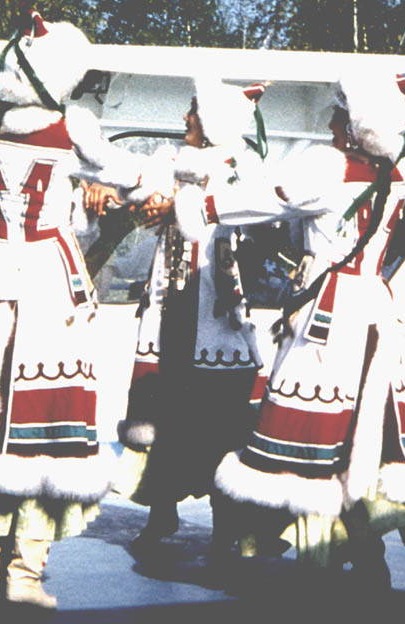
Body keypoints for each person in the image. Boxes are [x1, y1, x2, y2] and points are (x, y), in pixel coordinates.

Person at [0, 10, 145, 609]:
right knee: (45, 429)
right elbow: (129, 173)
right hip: (47, 278)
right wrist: (153, 185)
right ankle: (26, 569)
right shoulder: (74, 127)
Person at [202, 71, 405, 584]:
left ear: (353, 125)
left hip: (328, 315)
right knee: (363, 433)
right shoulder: (399, 176)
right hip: (373, 310)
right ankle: (365, 557)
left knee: (312, 437)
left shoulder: (327, 171)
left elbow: (265, 199)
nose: (328, 122)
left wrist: (196, 205)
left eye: (337, 114)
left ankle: (318, 555)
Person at [105, 77, 272, 563]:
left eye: (193, 110)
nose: (185, 119)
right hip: (170, 307)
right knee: (162, 411)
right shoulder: (171, 159)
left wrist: (174, 204)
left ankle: (229, 526)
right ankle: (161, 511)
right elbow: (140, 193)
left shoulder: (244, 167)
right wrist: (112, 192)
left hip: (217, 313)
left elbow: (244, 219)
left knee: (220, 421)